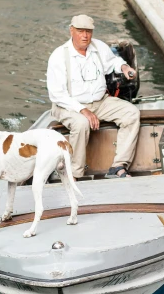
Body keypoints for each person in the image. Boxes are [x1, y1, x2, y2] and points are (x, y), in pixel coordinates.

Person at [47, 14, 140, 179]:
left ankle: (119, 165)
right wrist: (83, 110)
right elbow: (57, 94)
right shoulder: (59, 56)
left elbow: (113, 62)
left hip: (99, 102)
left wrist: (124, 67)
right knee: (82, 124)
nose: (85, 35)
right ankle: (73, 173)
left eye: (88, 31)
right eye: (80, 31)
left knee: (131, 113)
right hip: (68, 106)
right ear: (71, 31)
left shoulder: (99, 47)